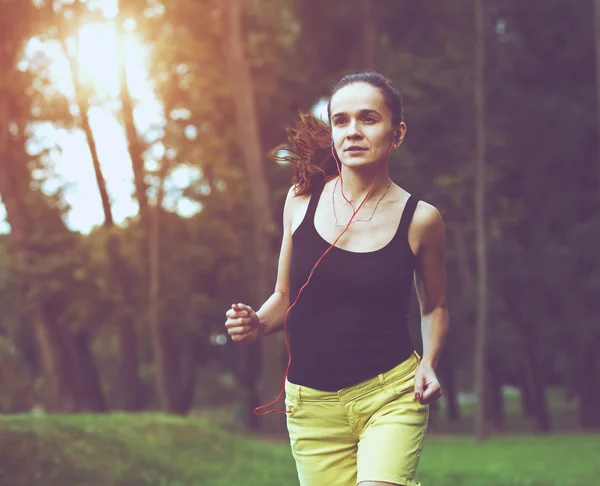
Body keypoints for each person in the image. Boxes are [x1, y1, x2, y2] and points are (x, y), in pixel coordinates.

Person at [224, 72, 449, 486]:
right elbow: (283, 296)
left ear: (396, 133)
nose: (353, 132)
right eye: (341, 121)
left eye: (368, 119)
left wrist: (430, 363)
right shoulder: (301, 198)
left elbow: (433, 305)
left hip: (391, 395)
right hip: (310, 409)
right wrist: (257, 322)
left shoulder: (421, 219)